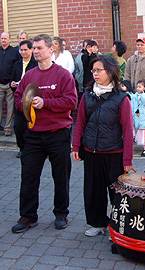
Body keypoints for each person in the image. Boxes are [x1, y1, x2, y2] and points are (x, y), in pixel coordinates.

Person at [12, 34, 77, 233]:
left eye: (40, 48)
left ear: (51, 50)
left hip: (58, 134)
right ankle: (28, 216)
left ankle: (61, 214)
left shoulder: (63, 75)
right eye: (34, 48)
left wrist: (45, 103)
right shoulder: (29, 75)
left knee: (61, 176)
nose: (36, 51)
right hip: (33, 135)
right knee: (29, 176)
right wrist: (26, 104)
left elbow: (71, 102)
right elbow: (17, 99)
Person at [72, 55, 133, 237]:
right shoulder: (87, 95)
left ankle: (118, 227)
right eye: (93, 70)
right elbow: (80, 122)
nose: (95, 74)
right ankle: (97, 223)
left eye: (99, 70)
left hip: (114, 153)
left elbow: (128, 131)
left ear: (110, 71)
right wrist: (76, 146)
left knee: (117, 194)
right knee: (93, 191)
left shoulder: (122, 99)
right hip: (91, 152)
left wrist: (127, 160)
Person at [10, 40, 37, 158]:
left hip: (32, 99)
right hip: (20, 98)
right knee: (18, 126)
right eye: (21, 50)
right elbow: (12, 78)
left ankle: (33, 149)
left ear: (31, 50)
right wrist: (12, 84)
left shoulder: (36, 64)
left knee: (31, 125)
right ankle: (22, 147)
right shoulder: (16, 64)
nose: (23, 52)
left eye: (26, 49)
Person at [0, 32, 19, 136]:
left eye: (5, 38)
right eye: (2, 38)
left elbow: (16, 67)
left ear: (9, 39)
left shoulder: (14, 52)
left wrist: (13, 81)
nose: (3, 40)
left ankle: (7, 129)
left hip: (9, 85)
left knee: (10, 108)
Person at [130, 79, 145, 157]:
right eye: (137, 87)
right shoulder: (135, 96)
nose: (138, 88)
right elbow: (132, 104)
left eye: (140, 87)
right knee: (143, 137)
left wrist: (142, 95)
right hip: (139, 120)